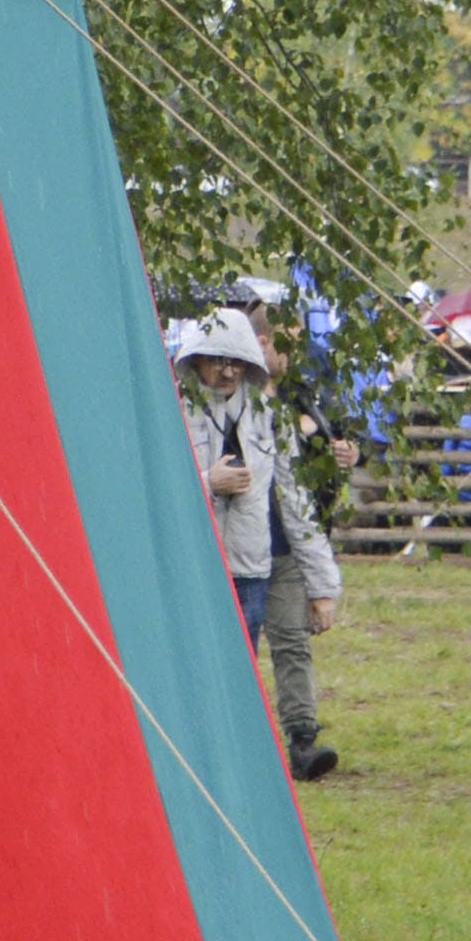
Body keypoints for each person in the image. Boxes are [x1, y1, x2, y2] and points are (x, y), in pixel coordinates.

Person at [172, 313, 342, 779]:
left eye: (237, 362)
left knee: (244, 664)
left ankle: (247, 756)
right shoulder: (173, 411)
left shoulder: (270, 418)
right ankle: (196, 752)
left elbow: (295, 501)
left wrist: (323, 584)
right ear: (197, 361)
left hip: (251, 565)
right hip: (194, 561)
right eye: (217, 361)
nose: (227, 371)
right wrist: (208, 482)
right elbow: (156, 489)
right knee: (197, 658)